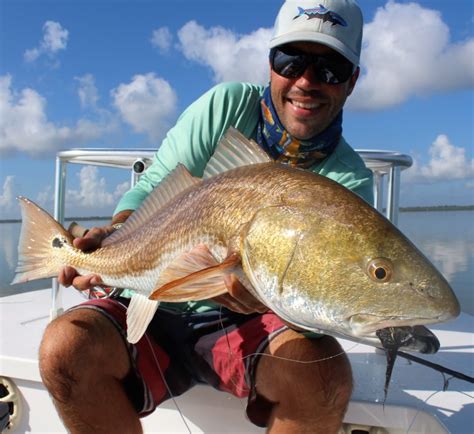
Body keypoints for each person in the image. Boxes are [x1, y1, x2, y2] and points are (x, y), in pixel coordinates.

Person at [39, 1, 373, 433]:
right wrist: (112, 237)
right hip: (152, 302)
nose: (306, 80)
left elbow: (320, 303)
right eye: (291, 59)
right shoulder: (227, 106)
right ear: (270, 64)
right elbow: (156, 185)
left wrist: (273, 304)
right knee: (64, 348)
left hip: (246, 325)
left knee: (325, 378)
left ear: (352, 81)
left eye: (330, 68)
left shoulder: (348, 184)